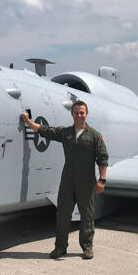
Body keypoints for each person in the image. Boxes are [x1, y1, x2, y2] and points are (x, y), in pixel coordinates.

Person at [20, 101, 108, 259]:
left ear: (86, 114)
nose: (79, 115)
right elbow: (46, 131)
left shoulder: (94, 135)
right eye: (76, 112)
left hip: (86, 182)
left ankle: (87, 247)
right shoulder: (65, 133)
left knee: (87, 216)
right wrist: (27, 122)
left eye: (82, 112)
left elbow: (102, 158)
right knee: (62, 215)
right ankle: (60, 247)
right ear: (72, 114)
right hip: (67, 181)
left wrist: (102, 180)